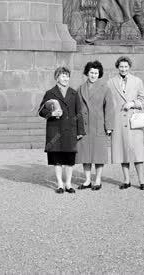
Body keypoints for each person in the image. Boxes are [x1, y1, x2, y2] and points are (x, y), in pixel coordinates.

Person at [38, 66, 85, 194]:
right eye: (63, 76)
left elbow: (79, 112)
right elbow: (41, 111)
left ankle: (68, 184)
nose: (66, 78)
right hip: (55, 130)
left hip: (70, 130)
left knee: (69, 160)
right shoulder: (50, 93)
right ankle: (60, 184)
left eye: (67, 76)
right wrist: (51, 114)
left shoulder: (74, 93)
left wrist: (80, 131)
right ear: (57, 77)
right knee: (57, 159)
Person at [108, 56, 144, 190]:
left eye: (126, 67)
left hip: (133, 122)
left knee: (137, 152)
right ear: (117, 67)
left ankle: (142, 180)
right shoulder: (111, 82)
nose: (123, 69)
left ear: (129, 67)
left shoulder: (137, 81)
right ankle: (126, 180)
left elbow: (143, 100)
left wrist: (133, 103)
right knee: (122, 151)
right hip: (118, 122)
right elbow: (108, 104)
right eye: (121, 67)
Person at [75, 60, 114, 190]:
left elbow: (109, 108)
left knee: (98, 155)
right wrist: (76, 125)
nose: (93, 75)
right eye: (91, 72)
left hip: (99, 126)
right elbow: (76, 108)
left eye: (96, 73)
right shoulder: (80, 89)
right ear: (87, 73)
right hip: (84, 126)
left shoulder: (105, 89)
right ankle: (87, 180)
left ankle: (97, 180)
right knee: (85, 155)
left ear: (99, 74)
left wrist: (109, 126)